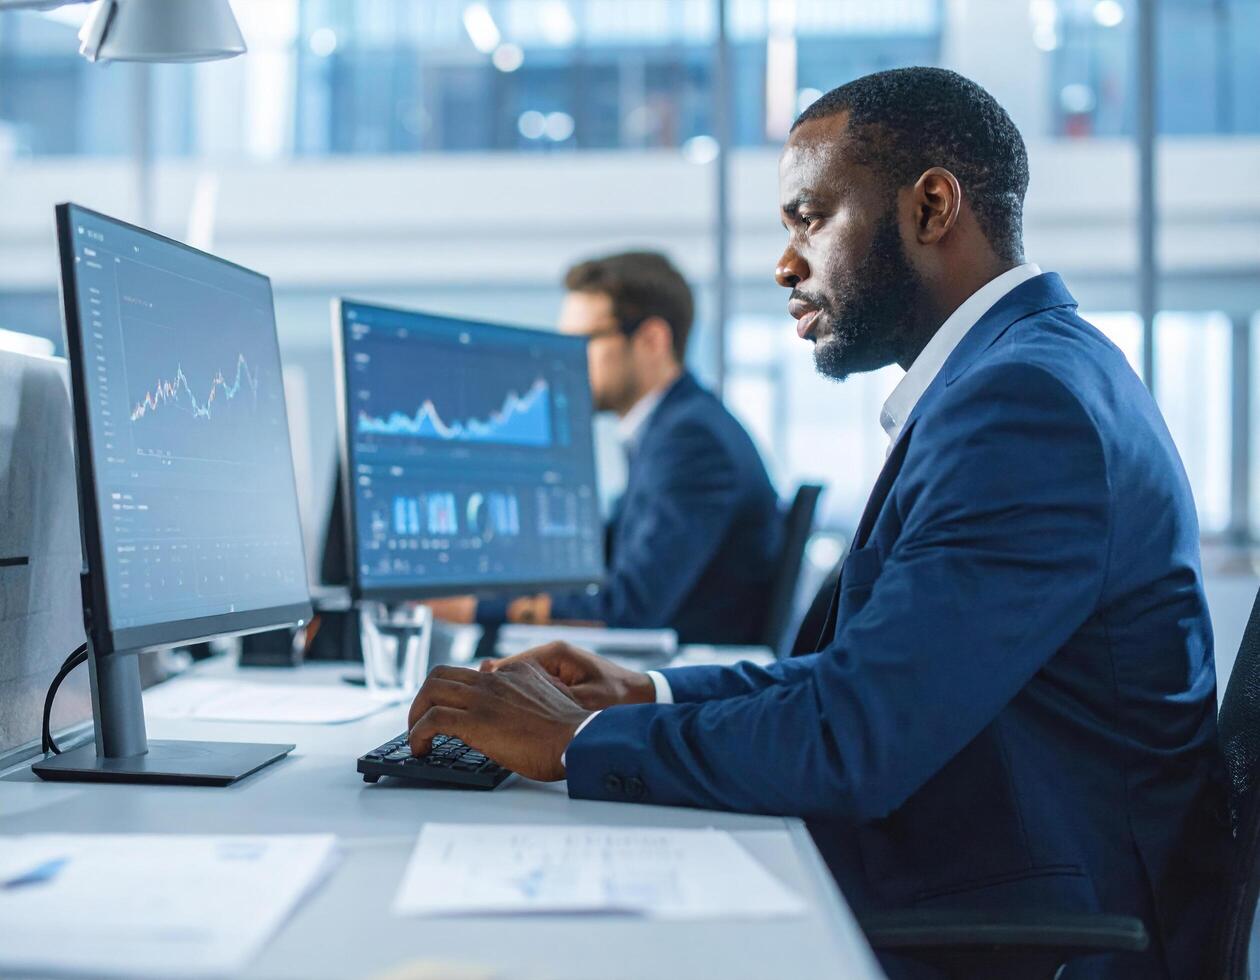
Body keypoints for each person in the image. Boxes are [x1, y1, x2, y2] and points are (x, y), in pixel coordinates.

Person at [404, 68, 1228, 978]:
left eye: (809, 218)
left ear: (932, 207)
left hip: (1032, 927)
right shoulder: (1015, 376)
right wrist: (648, 694)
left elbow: (855, 734)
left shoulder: (1023, 405)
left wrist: (573, 741)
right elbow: (869, 679)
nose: (784, 263)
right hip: (991, 870)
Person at [431, 250, 783, 645]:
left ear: (652, 339)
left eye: (583, 342)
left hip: (691, 677)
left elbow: (630, 607)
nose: (564, 363)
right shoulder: (669, 428)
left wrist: (472, 609)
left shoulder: (692, 442)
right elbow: (608, 556)